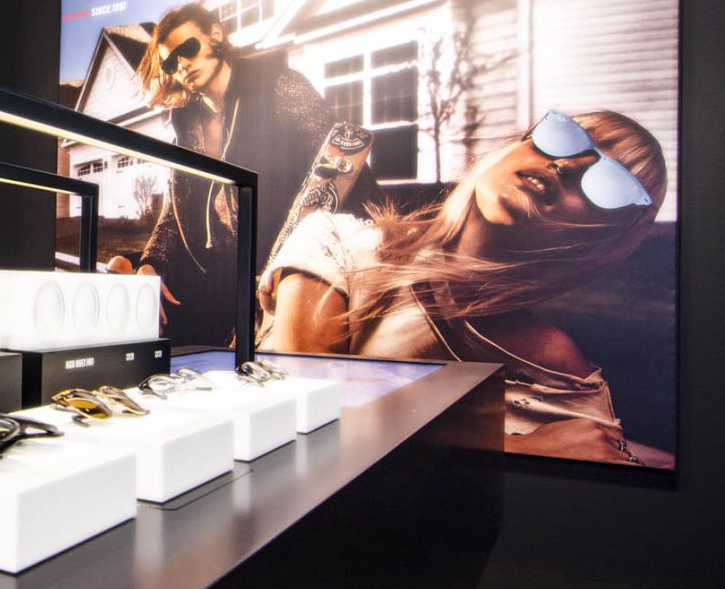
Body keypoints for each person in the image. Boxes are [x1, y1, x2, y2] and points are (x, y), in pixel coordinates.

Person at [258, 109, 671, 467]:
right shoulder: (339, 243)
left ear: (601, 236)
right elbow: (305, 427)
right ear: (519, 144)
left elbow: (605, 461)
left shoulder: (556, 368)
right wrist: (509, 447)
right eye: (565, 136)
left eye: (609, 180)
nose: (567, 165)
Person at [109, 3, 335, 346]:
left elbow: (337, 163)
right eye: (171, 62)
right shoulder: (185, 126)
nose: (181, 65)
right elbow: (174, 215)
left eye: (187, 48)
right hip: (212, 275)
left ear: (215, 34)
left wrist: (288, 265)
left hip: (278, 264)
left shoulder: (279, 85)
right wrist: (151, 265)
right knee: (123, 275)